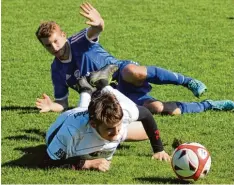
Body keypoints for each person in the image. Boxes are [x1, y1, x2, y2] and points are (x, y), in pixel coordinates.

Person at [35, 2, 234, 115]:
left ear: (63, 35)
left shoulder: (79, 40)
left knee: (134, 71)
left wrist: (100, 22)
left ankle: (188, 81)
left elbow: (96, 29)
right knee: (157, 108)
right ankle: (209, 105)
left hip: (119, 72)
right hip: (112, 95)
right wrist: (51, 105)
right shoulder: (56, 70)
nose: (54, 47)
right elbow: (63, 103)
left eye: (55, 41)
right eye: (48, 45)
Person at [43, 70, 171, 172]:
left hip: (91, 121)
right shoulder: (71, 132)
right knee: (81, 110)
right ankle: (86, 91)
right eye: (110, 129)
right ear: (93, 125)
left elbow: (146, 114)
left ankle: (101, 85)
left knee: (145, 132)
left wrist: (159, 150)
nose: (116, 134)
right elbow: (49, 162)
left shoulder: (124, 114)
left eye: (118, 127)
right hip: (67, 120)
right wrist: (86, 163)